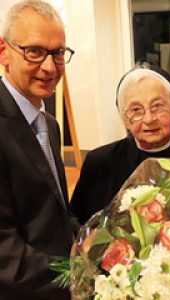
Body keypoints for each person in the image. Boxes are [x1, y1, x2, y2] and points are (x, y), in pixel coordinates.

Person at [71, 64, 170, 225]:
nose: (149, 119)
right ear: (125, 119)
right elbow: (79, 224)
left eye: (157, 106)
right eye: (136, 110)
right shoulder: (99, 163)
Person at [0, 1, 79, 299]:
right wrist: (77, 274)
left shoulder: (49, 123)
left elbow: (51, 208)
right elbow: (4, 254)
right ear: (3, 51)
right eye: (34, 51)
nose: (49, 66)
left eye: (58, 52)